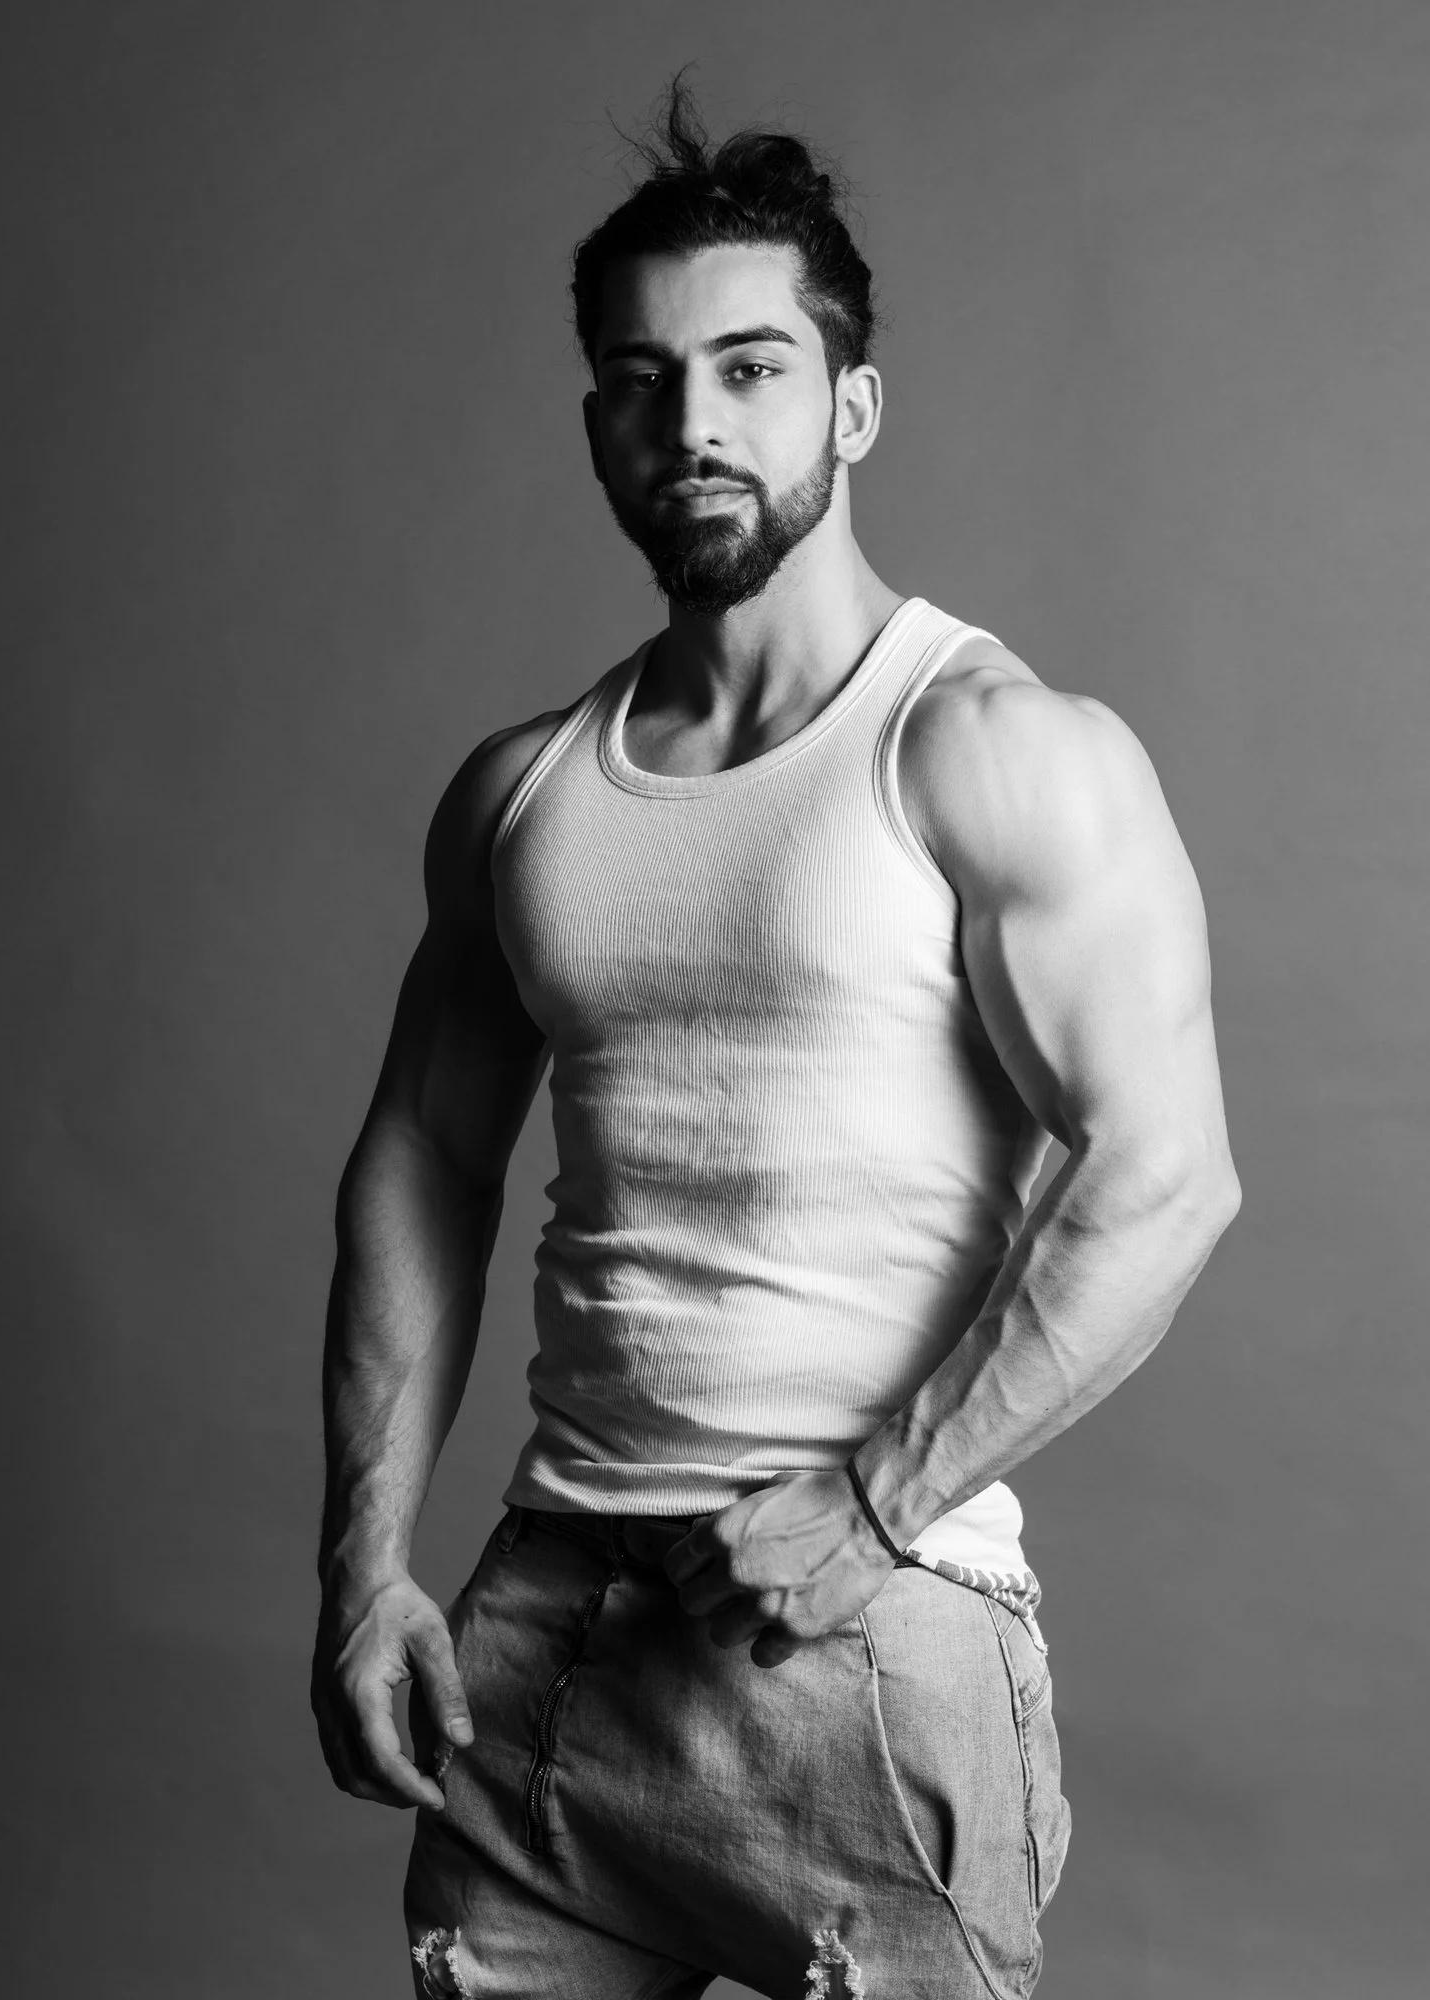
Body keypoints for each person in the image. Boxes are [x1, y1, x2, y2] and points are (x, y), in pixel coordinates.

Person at [311, 81, 1240, 2000]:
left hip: (859, 1633)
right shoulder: (523, 798)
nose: (697, 422)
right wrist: (365, 1563)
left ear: (852, 403)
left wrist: (879, 1498)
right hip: (548, 1633)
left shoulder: (986, 748)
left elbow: (1165, 1176)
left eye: (751, 366)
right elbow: (421, 1154)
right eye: (644, 381)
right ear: (595, 427)